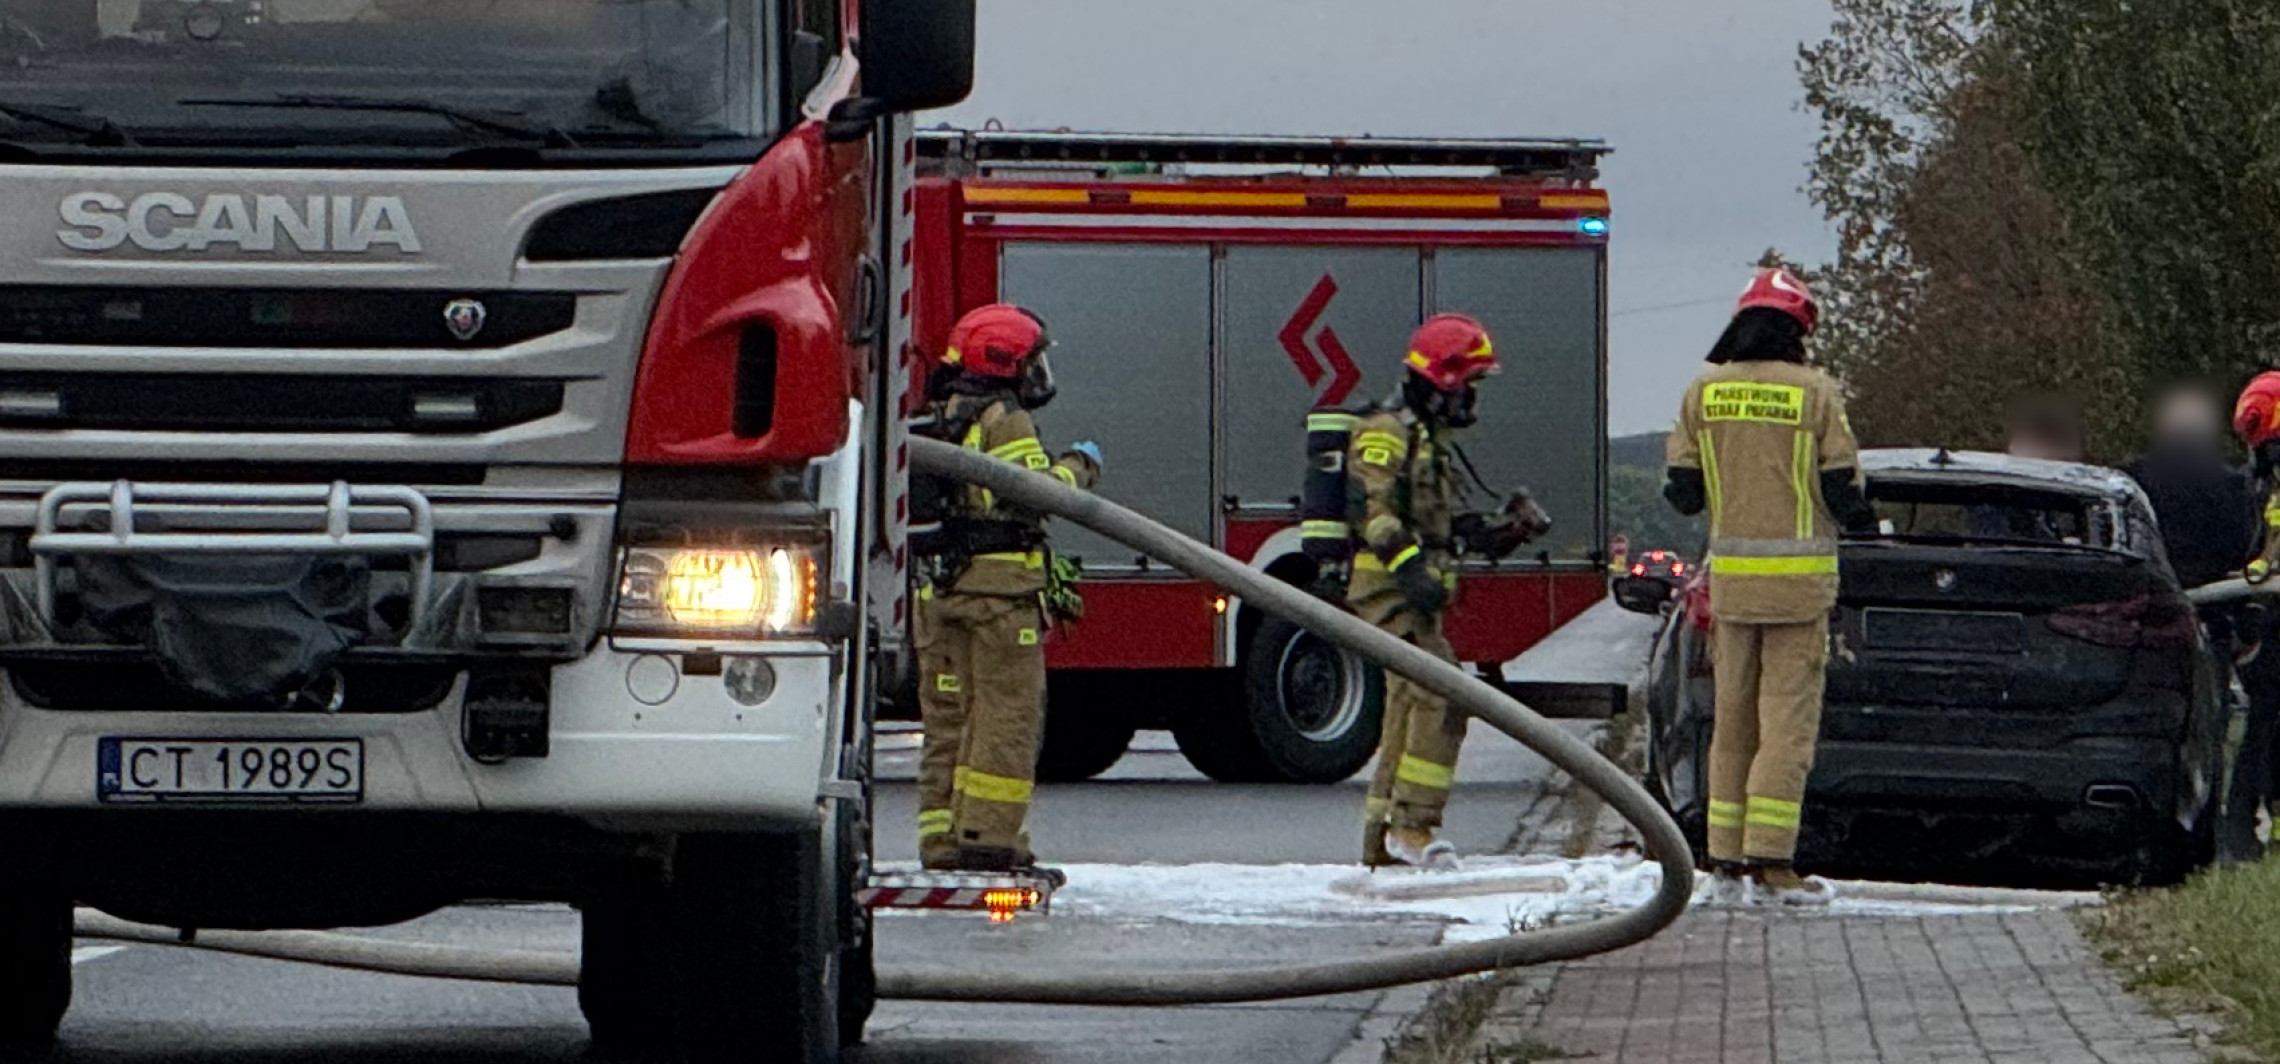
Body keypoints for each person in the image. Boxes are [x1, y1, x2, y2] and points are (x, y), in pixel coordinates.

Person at [1663, 268, 1874, 907]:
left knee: (1732, 722)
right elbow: (1845, 492)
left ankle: (1723, 860)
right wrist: (1866, 519)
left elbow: (1682, 492)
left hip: (1731, 591)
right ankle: (1774, 861)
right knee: (1786, 726)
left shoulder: (1704, 392)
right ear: (1798, 330)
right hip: (1799, 594)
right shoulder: (1815, 394)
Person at [909, 304, 1101, 873]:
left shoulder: (935, 414)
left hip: (940, 595)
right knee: (1005, 715)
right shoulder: (1004, 418)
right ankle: (991, 841)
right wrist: (1079, 468)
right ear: (1005, 362)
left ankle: (943, 841)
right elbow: (1033, 493)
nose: (1037, 374)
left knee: (950, 722)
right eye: (1031, 361)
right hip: (998, 599)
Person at [1351, 314, 1543, 870]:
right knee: (1443, 695)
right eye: (1469, 386)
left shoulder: (1427, 440)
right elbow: (1378, 517)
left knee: (1406, 707)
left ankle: (1381, 838)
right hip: (1386, 593)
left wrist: (1500, 532)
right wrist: (1412, 573)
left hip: (1414, 596)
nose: (1472, 402)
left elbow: (1440, 525)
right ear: (1441, 380)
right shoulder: (1387, 433)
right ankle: (1412, 827)